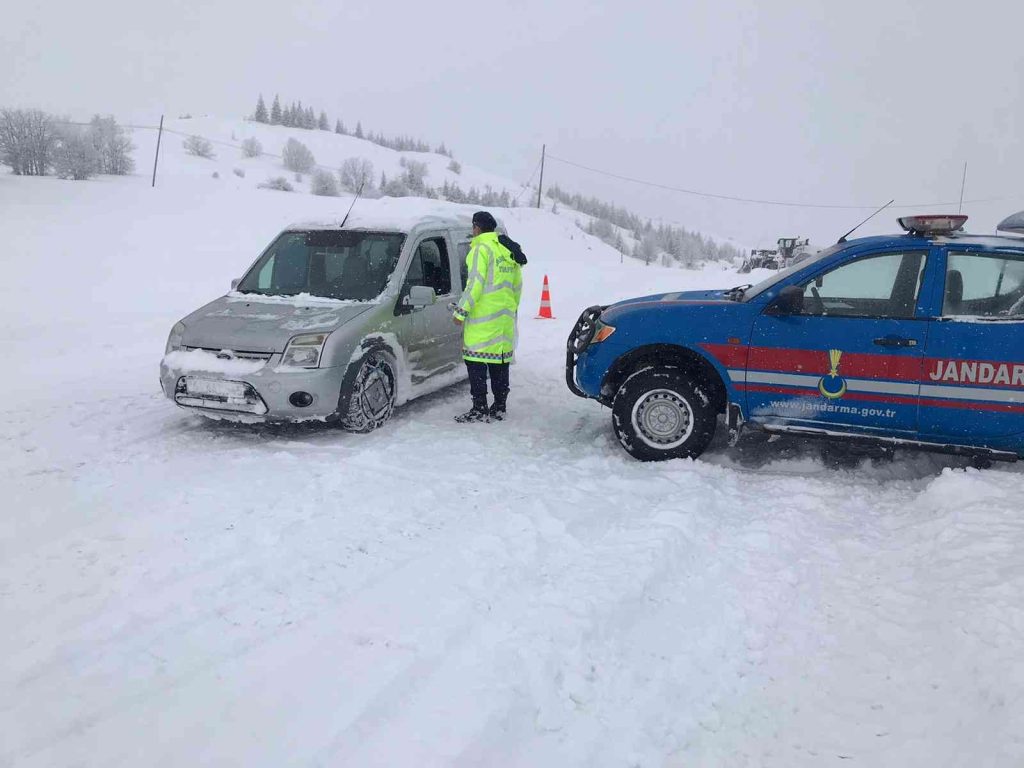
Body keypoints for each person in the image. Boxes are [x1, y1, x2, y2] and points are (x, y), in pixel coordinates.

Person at [452, 211, 524, 422]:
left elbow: (474, 284)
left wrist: (461, 312)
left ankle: (479, 408)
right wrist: (509, 309)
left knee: (475, 363)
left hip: (483, 321)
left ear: (477, 227)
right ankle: (499, 406)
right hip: (504, 321)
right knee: (499, 364)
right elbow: (517, 286)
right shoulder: (505, 249)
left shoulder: (480, 250)